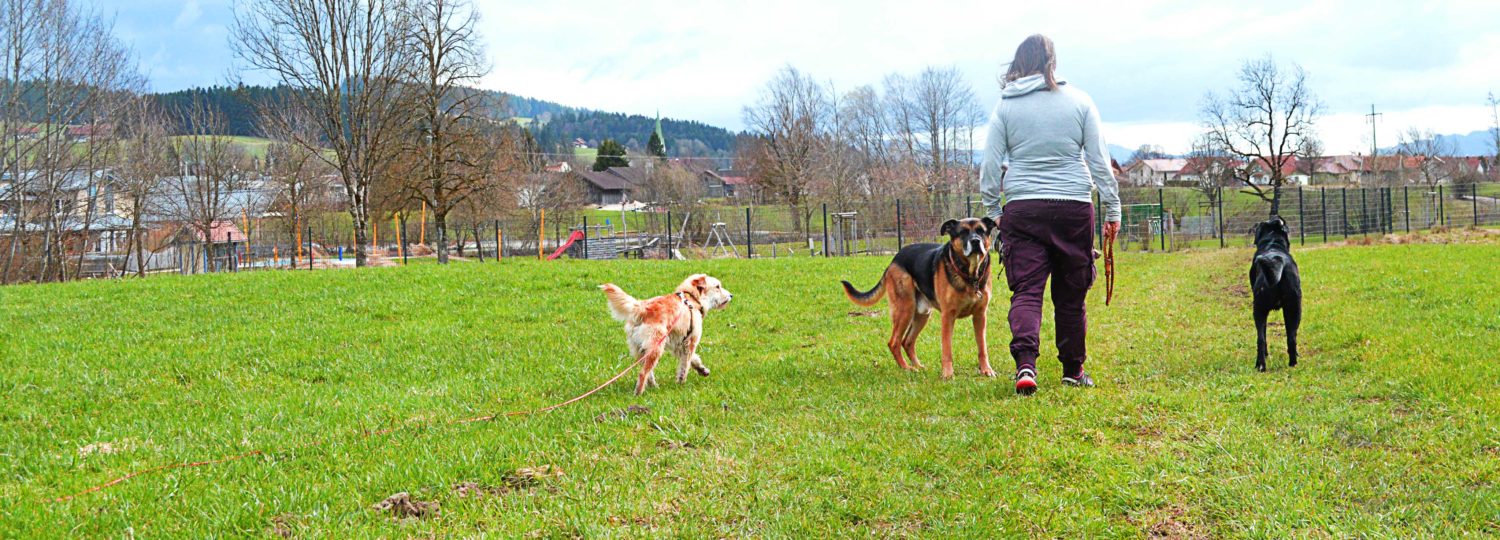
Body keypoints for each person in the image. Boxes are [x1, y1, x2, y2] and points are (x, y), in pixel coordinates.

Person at [979, 34, 1122, 396]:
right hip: (1074, 206)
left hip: (1024, 208)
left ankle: (1026, 366)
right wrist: (1113, 208)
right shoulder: (1080, 101)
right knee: (1070, 294)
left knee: (1027, 291)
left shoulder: (1006, 107)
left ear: (1019, 63)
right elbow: (1099, 162)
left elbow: (990, 167)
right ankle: (1073, 370)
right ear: (1052, 63)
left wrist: (995, 212)